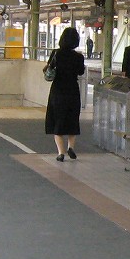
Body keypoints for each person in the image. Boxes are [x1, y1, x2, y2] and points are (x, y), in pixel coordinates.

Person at [45, 27, 86, 162]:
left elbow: (49, 68)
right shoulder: (78, 57)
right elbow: (80, 72)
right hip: (72, 91)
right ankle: (71, 147)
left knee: (57, 120)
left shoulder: (56, 54)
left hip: (58, 90)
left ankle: (60, 153)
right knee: (72, 120)